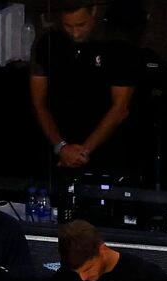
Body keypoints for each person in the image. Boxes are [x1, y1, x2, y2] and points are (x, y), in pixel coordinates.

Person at [30, 3, 138, 179]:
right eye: (68, 26)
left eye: (81, 25)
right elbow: (38, 103)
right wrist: (61, 146)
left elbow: (120, 108)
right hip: (56, 142)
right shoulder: (47, 43)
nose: (75, 33)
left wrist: (82, 152)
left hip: (104, 146)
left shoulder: (118, 46)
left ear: (93, 11)